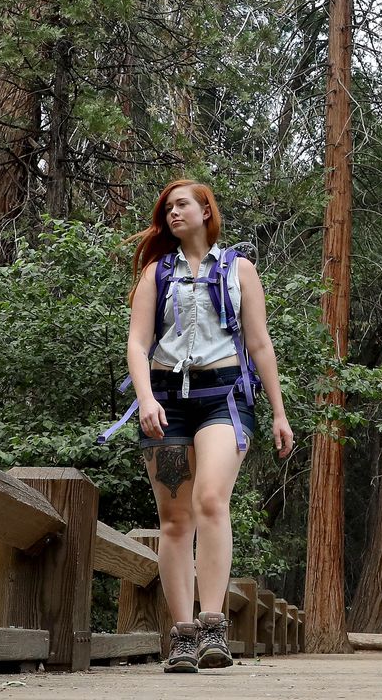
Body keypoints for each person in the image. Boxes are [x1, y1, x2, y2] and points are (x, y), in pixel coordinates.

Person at [117, 179, 294, 672]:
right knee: (175, 521)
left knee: (211, 499)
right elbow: (137, 343)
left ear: (206, 211)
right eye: (167, 208)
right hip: (165, 400)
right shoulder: (156, 273)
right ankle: (182, 636)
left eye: (182, 205)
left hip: (224, 397)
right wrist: (145, 398)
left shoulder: (239, 269)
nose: (172, 213)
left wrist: (279, 413)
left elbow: (260, 344)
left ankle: (213, 625)